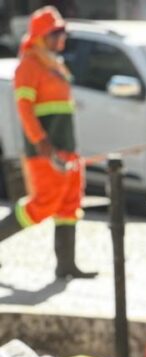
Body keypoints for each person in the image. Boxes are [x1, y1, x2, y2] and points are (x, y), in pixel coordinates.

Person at [0, 6, 94, 279]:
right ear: (41, 36)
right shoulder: (29, 65)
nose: (61, 37)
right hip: (46, 151)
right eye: (56, 32)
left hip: (66, 149)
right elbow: (24, 109)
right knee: (42, 205)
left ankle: (66, 265)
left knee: (69, 204)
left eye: (62, 32)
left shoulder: (53, 64)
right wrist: (41, 142)